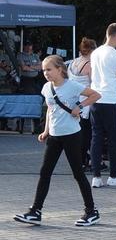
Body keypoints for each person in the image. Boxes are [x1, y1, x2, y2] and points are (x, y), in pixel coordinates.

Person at [13, 55, 101, 226]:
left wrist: (80, 107)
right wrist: (45, 131)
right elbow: (51, 110)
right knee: (45, 172)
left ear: (60, 69)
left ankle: (91, 211)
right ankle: (35, 211)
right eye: (44, 70)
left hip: (72, 135)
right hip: (54, 136)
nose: (46, 73)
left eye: (49, 69)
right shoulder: (46, 88)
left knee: (78, 173)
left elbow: (95, 95)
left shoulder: (72, 86)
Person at [89, 23, 116, 188]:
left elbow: (99, 77)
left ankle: (96, 177)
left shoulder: (96, 53)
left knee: (96, 137)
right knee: (114, 139)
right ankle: (114, 176)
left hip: (96, 100)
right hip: (111, 102)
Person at [67, 37, 97, 169]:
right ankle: (83, 161)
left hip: (73, 101)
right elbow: (93, 84)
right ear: (92, 50)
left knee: (76, 133)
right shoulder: (90, 64)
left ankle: (76, 160)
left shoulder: (73, 62)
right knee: (87, 134)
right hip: (86, 103)